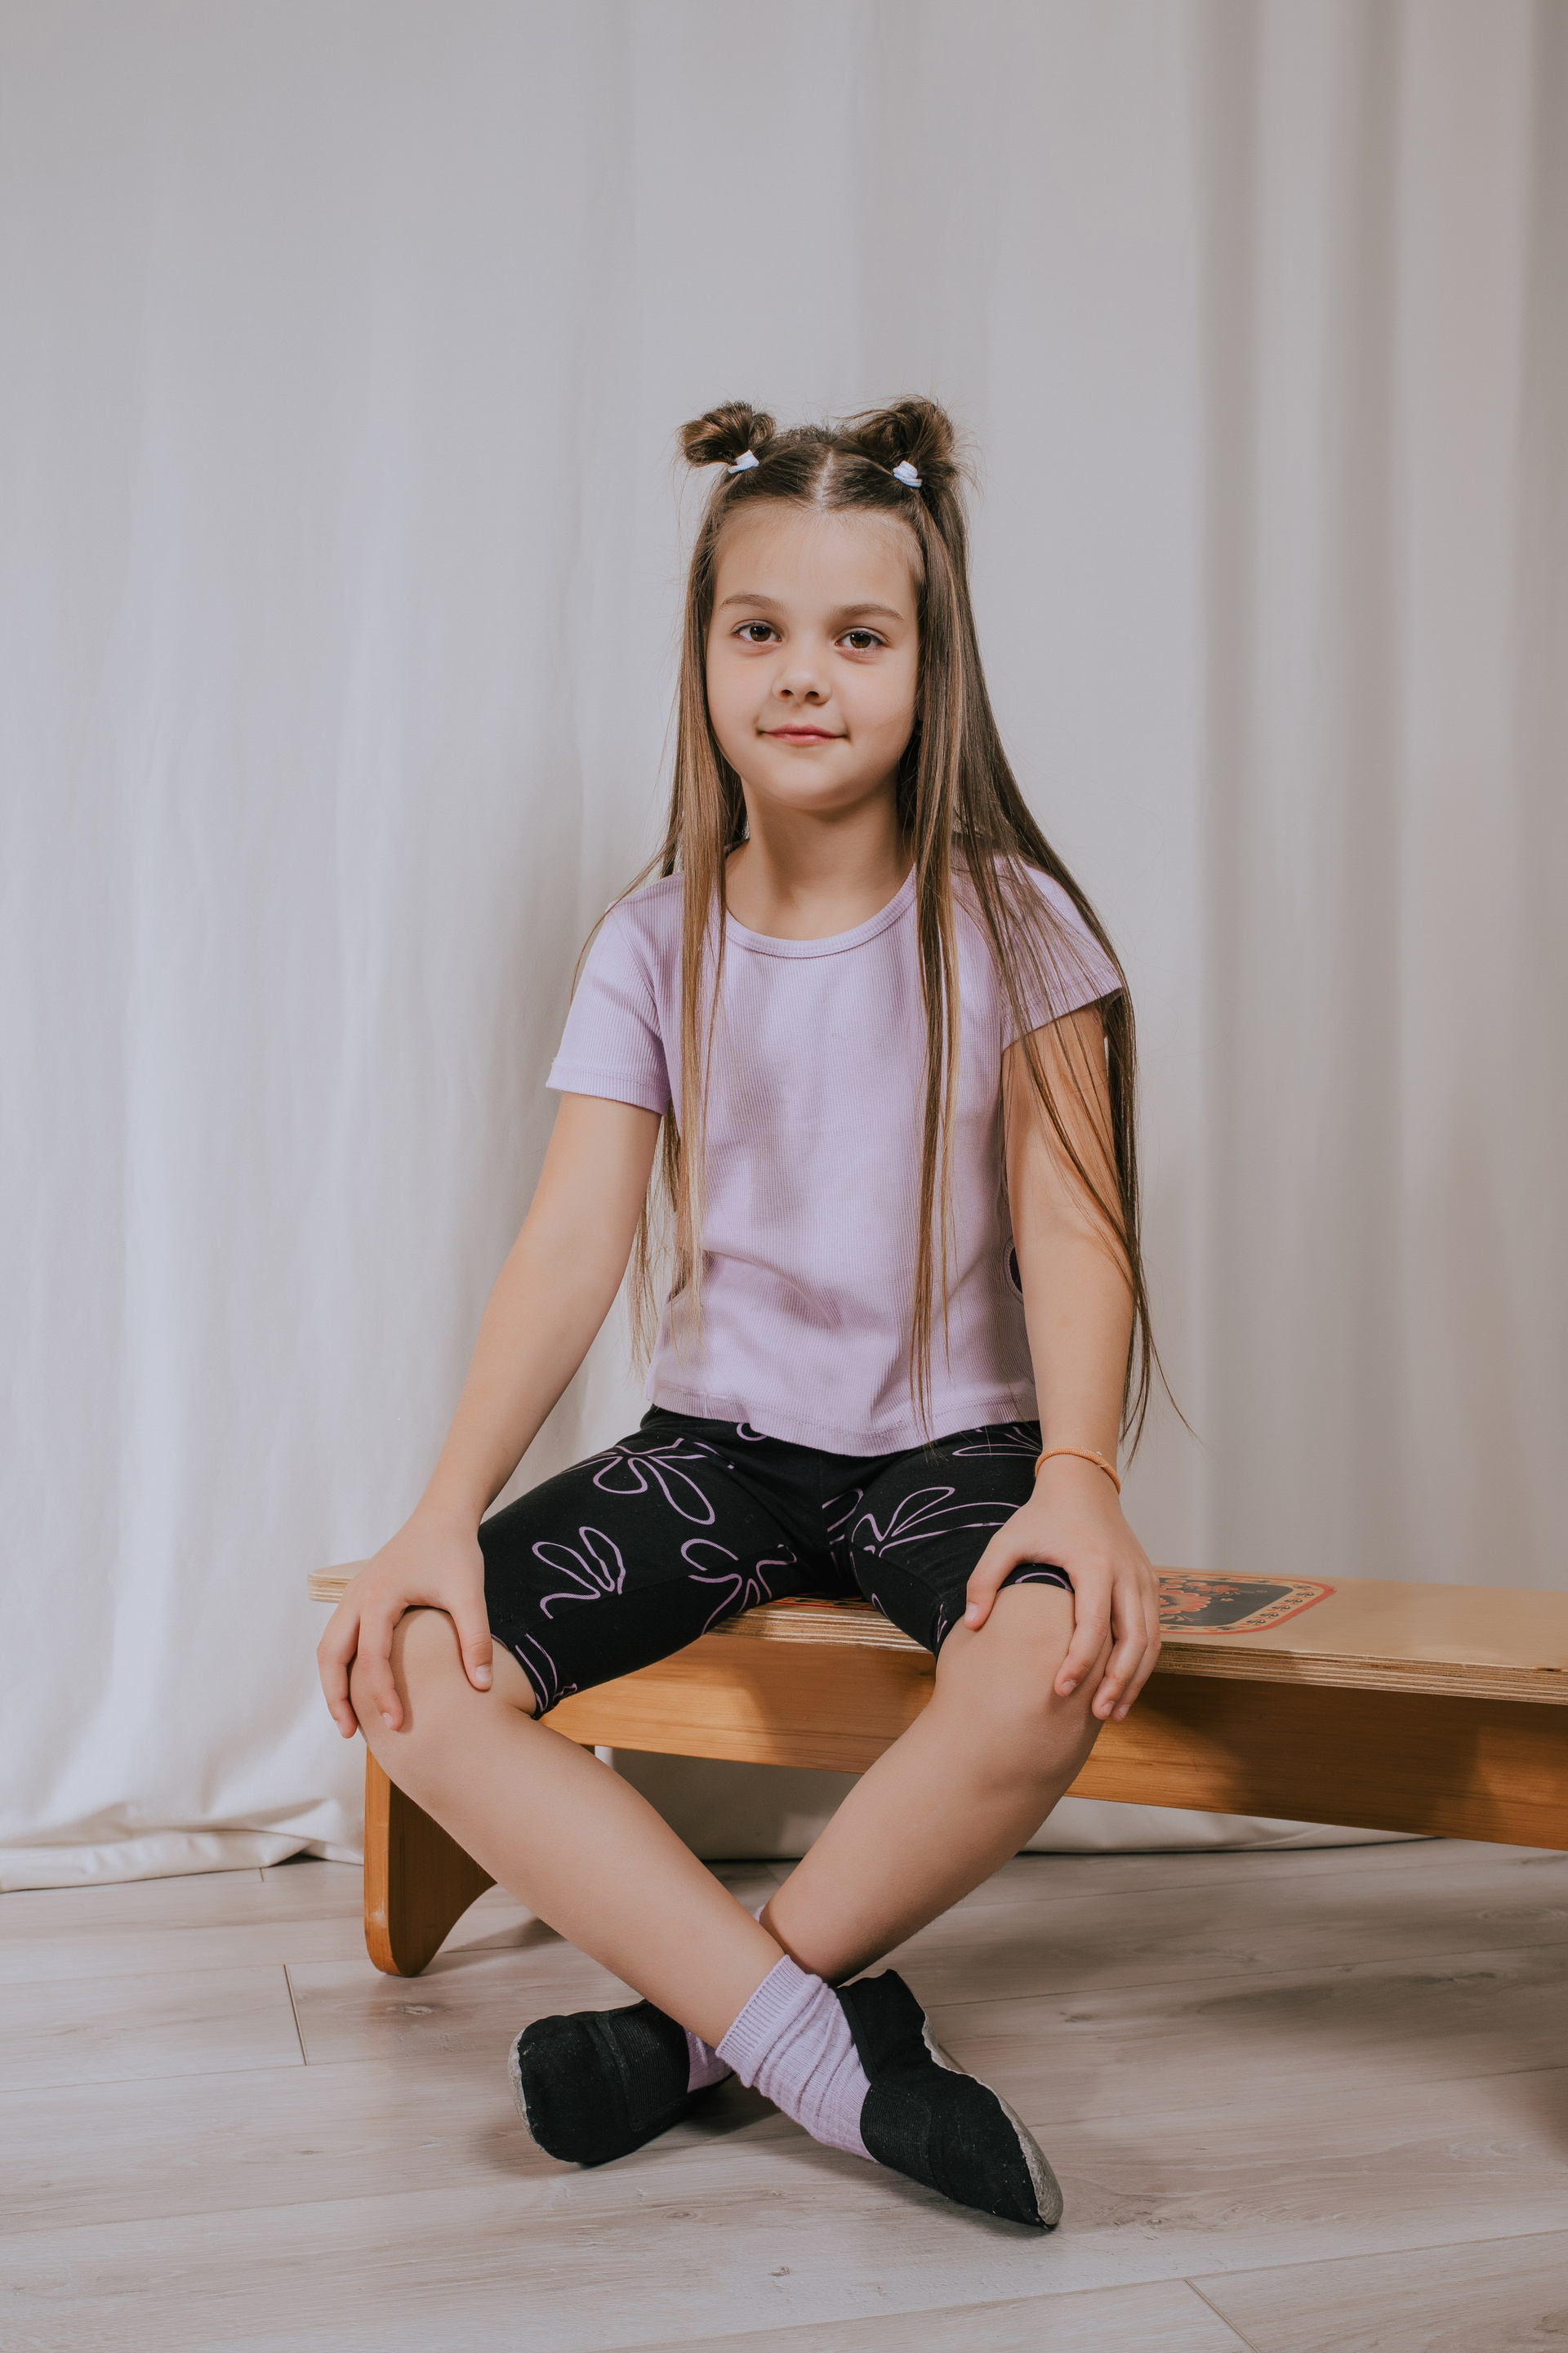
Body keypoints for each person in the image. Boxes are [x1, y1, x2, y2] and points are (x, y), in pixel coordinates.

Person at [317, 398, 1163, 2231]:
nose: (802, 674)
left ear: (932, 668)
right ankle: (822, 2050)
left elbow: (1075, 1227)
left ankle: (691, 2039)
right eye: (759, 628)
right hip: (717, 1454)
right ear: (702, 652)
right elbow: (569, 1245)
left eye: (859, 636)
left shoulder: (1014, 923)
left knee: (1046, 1660)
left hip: (951, 1455)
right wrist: (441, 1514)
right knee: (412, 1672)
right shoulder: (652, 939)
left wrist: (1080, 1477)